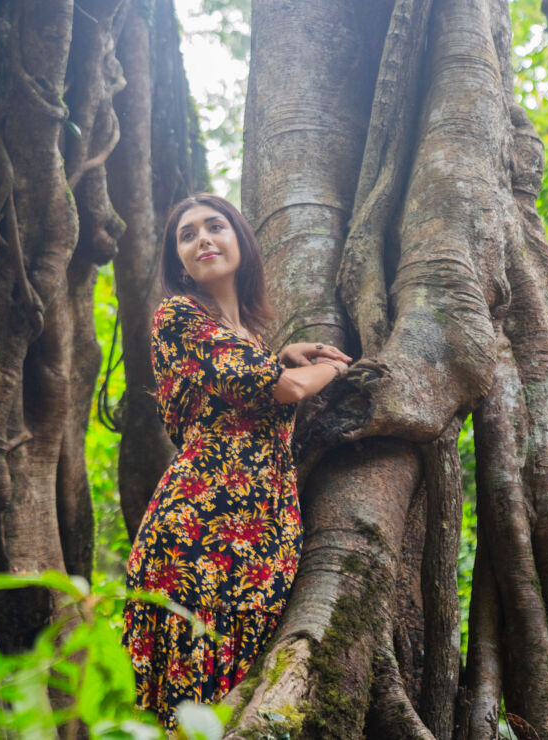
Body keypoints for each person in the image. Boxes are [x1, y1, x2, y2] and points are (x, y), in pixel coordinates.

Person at [122, 193, 353, 727]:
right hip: (199, 530)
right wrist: (336, 370)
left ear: (240, 241)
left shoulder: (251, 339)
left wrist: (280, 355)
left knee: (243, 682)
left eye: (215, 226)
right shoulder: (178, 316)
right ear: (178, 260)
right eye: (187, 234)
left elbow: (263, 374)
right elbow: (288, 388)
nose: (202, 238)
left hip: (262, 533)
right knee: (196, 695)